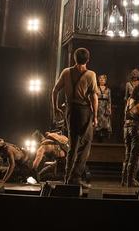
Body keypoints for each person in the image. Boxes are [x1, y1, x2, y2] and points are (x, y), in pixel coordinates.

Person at [51, 47, 99, 187]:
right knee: (85, 144)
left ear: (74, 58)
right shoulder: (91, 74)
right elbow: (94, 97)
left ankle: (67, 177)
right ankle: (75, 177)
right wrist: (95, 116)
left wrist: (55, 108)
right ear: (88, 59)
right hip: (83, 111)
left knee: (73, 145)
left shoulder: (66, 72)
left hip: (70, 110)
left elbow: (54, 90)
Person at [122, 83, 139, 187]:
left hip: (126, 128)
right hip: (136, 129)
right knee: (135, 155)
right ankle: (131, 180)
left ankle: (124, 180)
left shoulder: (129, 101)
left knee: (128, 154)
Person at [95, 74, 112, 141]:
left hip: (105, 106)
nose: (102, 80)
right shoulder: (96, 88)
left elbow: (109, 100)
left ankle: (105, 136)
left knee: (105, 121)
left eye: (103, 79)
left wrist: (109, 109)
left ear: (105, 81)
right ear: (98, 80)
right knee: (98, 121)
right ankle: (98, 135)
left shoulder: (108, 90)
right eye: (100, 79)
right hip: (98, 106)